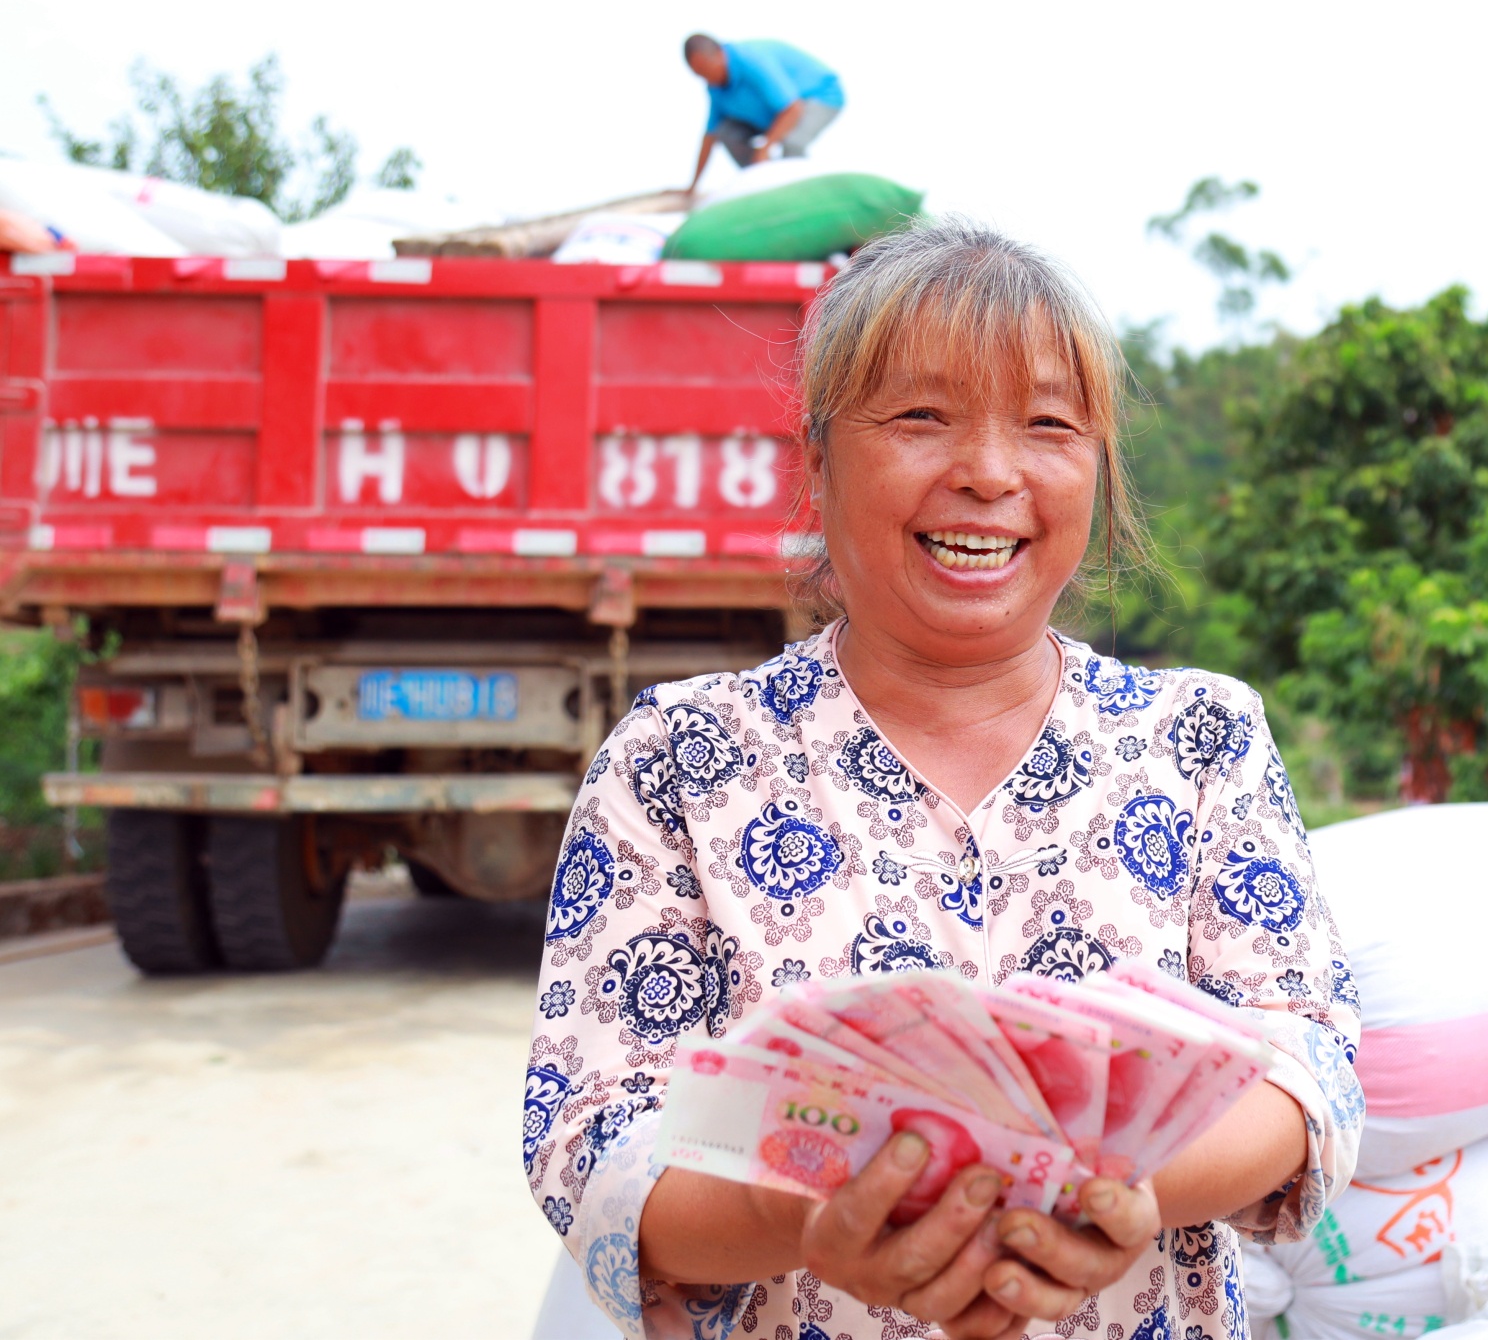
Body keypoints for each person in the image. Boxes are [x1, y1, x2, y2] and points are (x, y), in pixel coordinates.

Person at [524, 219, 1365, 1340]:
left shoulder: (1203, 738)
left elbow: (1305, 1067)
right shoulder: (679, 759)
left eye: (1050, 426)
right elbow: (593, 1144)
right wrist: (810, 1210)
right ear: (816, 464)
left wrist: (1120, 1202)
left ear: (1101, 472)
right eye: (922, 417)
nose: (989, 472)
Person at [684, 34, 845, 191]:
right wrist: (692, 187)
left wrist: (765, 148)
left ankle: (802, 193)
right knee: (727, 132)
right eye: (699, 74)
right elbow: (710, 136)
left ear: (720, 53)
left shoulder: (751, 60)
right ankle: (765, 186)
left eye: (707, 69)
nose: (706, 78)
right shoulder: (715, 87)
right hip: (774, 114)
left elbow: (792, 109)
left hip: (817, 97)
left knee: (792, 144)